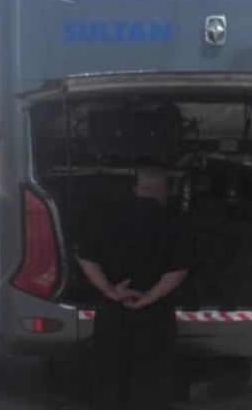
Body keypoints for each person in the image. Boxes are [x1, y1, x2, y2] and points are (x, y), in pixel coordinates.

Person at [77, 168, 190, 410]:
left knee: (110, 372)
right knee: (149, 376)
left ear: (136, 189)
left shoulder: (107, 217)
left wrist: (110, 290)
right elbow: (176, 273)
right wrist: (147, 298)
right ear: (164, 192)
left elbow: (86, 259)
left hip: (112, 312)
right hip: (155, 315)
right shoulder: (173, 223)